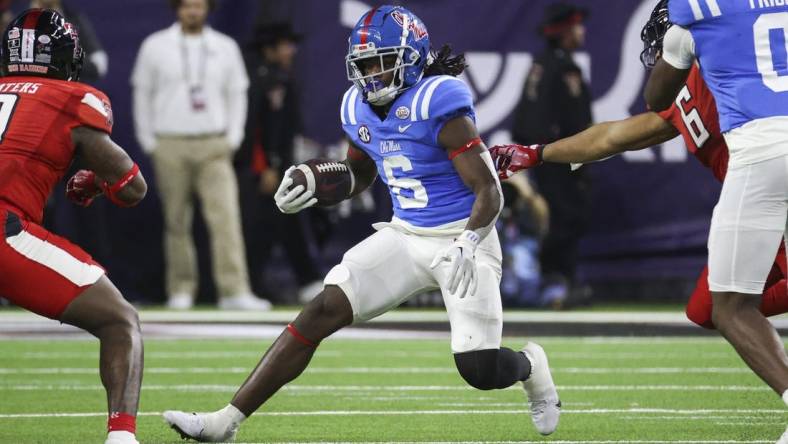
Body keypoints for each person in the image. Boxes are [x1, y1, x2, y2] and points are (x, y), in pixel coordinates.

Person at [162, 5, 560, 441]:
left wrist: (468, 239)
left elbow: (490, 190)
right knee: (321, 310)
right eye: (364, 64)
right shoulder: (358, 106)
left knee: (479, 370)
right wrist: (314, 187)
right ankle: (226, 422)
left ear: (410, 57)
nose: (371, 75)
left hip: (464, 239)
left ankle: (530, 366)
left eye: (380, 62)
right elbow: (360, 173)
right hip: (406, 236)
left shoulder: (438, 101)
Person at [491, 0, 788, 331]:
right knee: (709, 310)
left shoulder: (723, 67)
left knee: (727, 309)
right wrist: (537, 153)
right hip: (754, 197)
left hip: (769, 182)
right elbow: (613, 137)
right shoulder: (695, 86)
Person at [642, 2, 788, 442]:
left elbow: (656, 99)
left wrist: (688, 46)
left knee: (728, 307)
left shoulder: (694, 9)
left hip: (762, 149)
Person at [0, 9, 146, 444]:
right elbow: (132, 187)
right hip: (6, 229)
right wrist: (102, 182)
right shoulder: (72, 98)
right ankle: (122, 437)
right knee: (120, 320)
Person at [131, 0, 270, 310]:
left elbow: (237, 94)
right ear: (176, 9)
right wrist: (149, 141)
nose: (193, 11)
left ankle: (234, 291)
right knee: (176, 220)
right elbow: (142, 93)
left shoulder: (225, 46)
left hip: (214, 144)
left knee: (226, 218)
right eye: (187, 6)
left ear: (208, 9)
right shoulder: (155, 46)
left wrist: (233, 137)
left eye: (198, 6)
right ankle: (180, 289)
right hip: (170, 142)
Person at [510, 2, 592, 308]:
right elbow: (576, 122)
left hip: (539, 158)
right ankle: (558, 285)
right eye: (576, 27)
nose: (581, 33)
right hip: (561, 158)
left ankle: (551, 284)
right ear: (564, 32)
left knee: (554, 222)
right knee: (563, 221)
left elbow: (523, 122)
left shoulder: (540, 63)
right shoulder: (563, 68)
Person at [236, 22, 324, 304]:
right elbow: (256, 129)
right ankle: (262, 284)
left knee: (286, 223)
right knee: (261, 228)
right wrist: (267, 167)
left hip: (281, 166)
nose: (291, 50)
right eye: (285, 44)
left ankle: (300, 280)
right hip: (264, 171)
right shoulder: (259, 80)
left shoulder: (282, 77)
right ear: (269, 48)